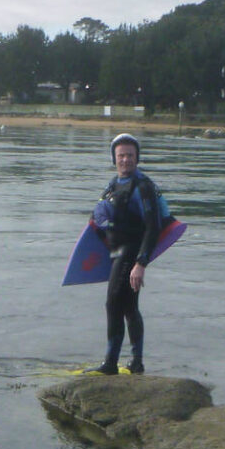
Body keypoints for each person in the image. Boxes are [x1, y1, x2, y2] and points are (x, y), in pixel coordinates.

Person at [87, 133, 162, 375]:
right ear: (114, 158)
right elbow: (97, 216)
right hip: (115, 253)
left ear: (137, 157)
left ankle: (111, 363)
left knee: (113, 304)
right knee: (129, 307)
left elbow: (153, 227)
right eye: (121, 155)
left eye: (130, 155)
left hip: (130, 253)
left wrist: (141, 263)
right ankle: (136, 363)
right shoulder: (113, 184)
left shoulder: (142, 187)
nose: (126, 160)